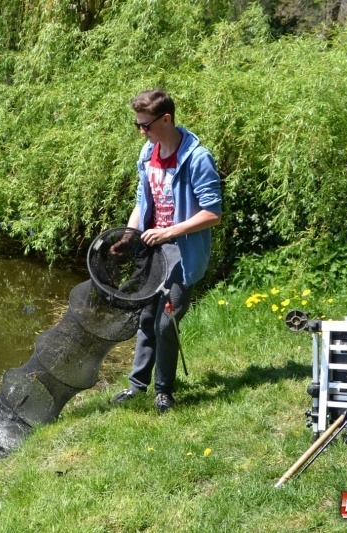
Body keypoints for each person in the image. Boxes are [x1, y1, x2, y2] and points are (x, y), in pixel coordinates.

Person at [110, 88, 222, 413]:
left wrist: (169, 231)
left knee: (165, 322)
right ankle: (136, 387)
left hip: (182, 254)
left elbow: (212, 213)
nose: (142, 132)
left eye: (146, 125)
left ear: (167, 119)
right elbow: (141, 201)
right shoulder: (147, 154)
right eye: (138, 126)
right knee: (146, 316)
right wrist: (130, 234)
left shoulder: (198, 158)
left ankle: (164, 390)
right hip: (153, 250)